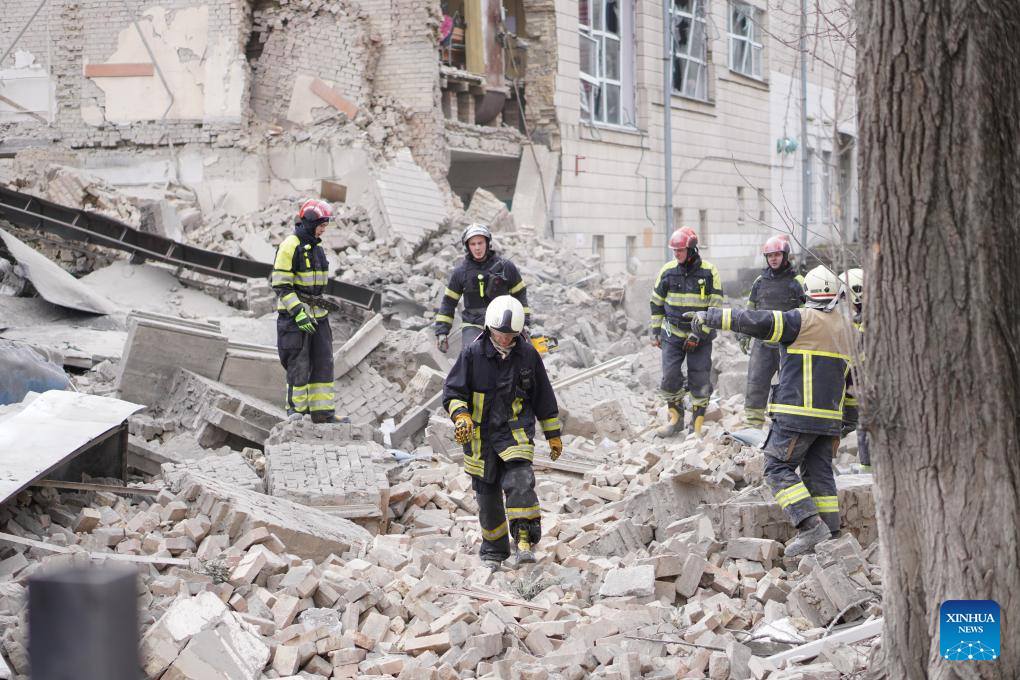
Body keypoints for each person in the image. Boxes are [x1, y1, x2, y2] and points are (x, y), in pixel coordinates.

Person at [684, 265, 857, 556]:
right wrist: (848, 421)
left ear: (807, 294)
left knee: (777, 468)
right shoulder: (849, 331)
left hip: (795, 415)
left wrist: (710, 316)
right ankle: (831, 531)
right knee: (819, 474)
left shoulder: (799, 320)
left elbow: (753, 319)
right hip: (829, 420)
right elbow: (853, 385)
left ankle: (810, 527)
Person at [442, 295, 562, 570]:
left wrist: (553, 433)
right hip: (480, 439)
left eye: (511, 335)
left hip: (515, 432)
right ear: (488, 328)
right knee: (488, 498)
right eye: (500, 334)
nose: (505, 340)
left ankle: (523, 542)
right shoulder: (473, 353)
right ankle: (494, 552)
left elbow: (543, 396)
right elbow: (453, 391)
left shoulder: (528, 354)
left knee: (521, 482)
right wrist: (461, 416)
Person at [270, 199, 341, 423]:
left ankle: (323, 414)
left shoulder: (316, 246)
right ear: (310, 221)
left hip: (318, 317)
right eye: (321, 224)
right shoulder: (290, 245)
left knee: (323, 363)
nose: (323, 229)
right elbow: (281, 285)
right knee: (298, 366)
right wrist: (299, 312)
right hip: (294, 319)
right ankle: (296, 414)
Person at [650, 226, 723, 437]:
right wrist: (656, 331)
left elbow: (715, 307)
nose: (676, 255)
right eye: (674, 251)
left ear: (691, 250)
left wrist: (698, 334)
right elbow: (656, 303)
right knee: (670, 377)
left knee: (699, 379)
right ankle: (676, 420)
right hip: (672, 333)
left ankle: (697, 426)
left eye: (680, 251)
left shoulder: (709, 272)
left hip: (700, 335)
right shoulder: (667, 271)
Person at [741, 235, 805, 428]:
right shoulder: (760, 282)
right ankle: (753, 424)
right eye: (769, 256)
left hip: (789, 345)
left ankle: (787, 424)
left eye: (777, 255)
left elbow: (809, 312)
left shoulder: (797, 281)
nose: (773, 259)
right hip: (763, 342)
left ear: (785, 255)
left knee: (790, 385)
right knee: (756, 383)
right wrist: (744, 334)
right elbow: (750, 310)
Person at [434, 223, 530, 354]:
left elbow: (520, 294)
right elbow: (449, 303)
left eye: (480, 243)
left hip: (504, 322)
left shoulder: (506, 267)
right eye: (473, 244)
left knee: (524, 353)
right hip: (473, 324)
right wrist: (442, 332)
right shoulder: (460, 273)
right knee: (470, 355)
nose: (477, 248)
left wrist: (525, 322)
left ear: (488, 243)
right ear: (467, 246)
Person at [840, 268, 870, 472]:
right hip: (859, 389)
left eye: (844, 295)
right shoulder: (861, 319)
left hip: (867, 389)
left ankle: (868, 470)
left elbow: (852, 361)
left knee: (864, 427)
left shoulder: (863, 323)